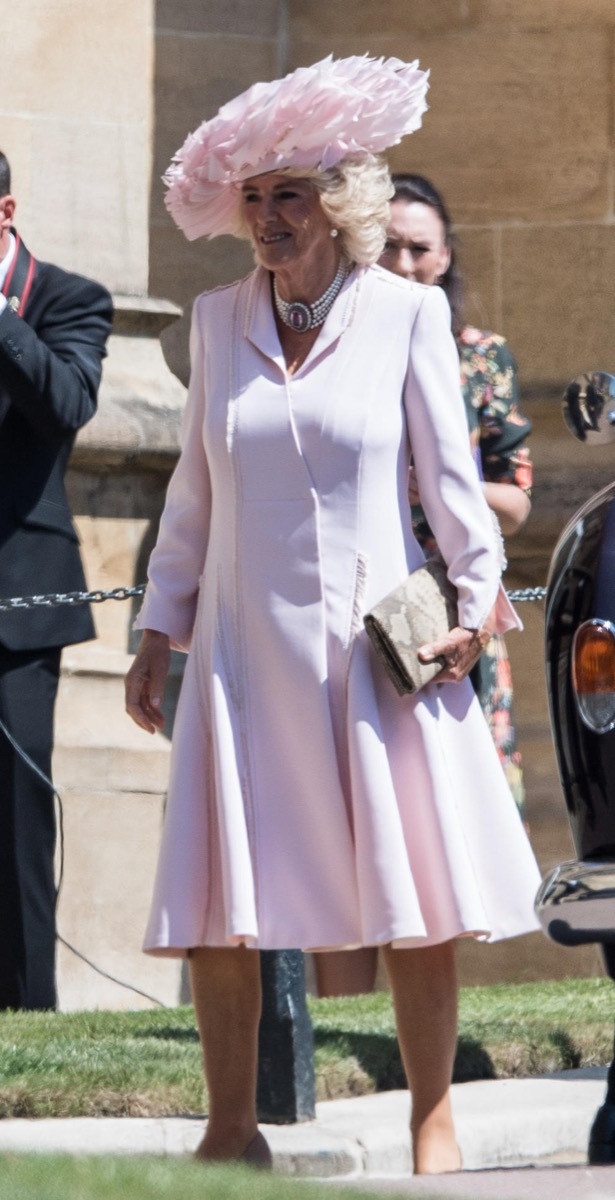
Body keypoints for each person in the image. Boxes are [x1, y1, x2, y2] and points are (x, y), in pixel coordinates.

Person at [125, 56, 542, 1176]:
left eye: (289, 196)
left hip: (375, 650)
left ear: (341, 204)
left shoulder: (405, 314)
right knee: (224, 897)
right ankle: (230, 1128)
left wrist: (474, 605)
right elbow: (193, 494)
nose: (266, 218)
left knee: (413, 895)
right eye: (253, 198)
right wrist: (157, 631)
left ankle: (431, 1118)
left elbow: (455, 488)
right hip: (239, 651)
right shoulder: (217, 321)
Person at [314, 173, 534, 999]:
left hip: (444, 607)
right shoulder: (334, 340)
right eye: (391, 245)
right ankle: (347, 1011)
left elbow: (514, 495)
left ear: (445, 259)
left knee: (433, 821)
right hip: (349, 603)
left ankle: (419, 1021)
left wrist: (434, 473)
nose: (405, 262)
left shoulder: (477, 355)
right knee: (344, 821)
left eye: (421, 248)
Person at [0, 150, 113, 1010]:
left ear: (4, 214)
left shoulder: (68, 299)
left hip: (18, 604)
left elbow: (69, 403)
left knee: (14, 819)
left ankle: (27, 1009)